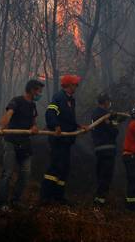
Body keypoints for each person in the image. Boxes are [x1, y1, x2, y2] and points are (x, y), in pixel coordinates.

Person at [0, 79, 44, 211]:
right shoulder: (16, 101)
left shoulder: (33, 106)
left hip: (25, 143)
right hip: (11, 141)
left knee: (25, 174)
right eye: (39, 91)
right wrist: (1, 127)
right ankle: (2, 202)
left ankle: (16, 200)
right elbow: (8, 114)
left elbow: (33, 122)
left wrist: (34, 128)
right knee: (8, 173)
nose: (40, 94)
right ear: (32, 90)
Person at [40, 74, 87, 204]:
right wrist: (56, 126)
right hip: (58, 139)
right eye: (74, 84)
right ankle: (45, 197)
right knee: (55, 167)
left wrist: (78, 126)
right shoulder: (59, 97)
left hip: (67, 140)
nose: (76, 87)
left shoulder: (71, 100)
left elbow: (69, 119)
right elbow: (50, 113)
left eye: (76, 85)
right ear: (68, 85)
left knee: (65, 168)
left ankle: (58, 196)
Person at [91, 92, 120, 206]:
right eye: (108, 101)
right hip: (108, 149)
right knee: (106, 176)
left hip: (98, 149)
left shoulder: (94, 114)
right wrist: (115, 123)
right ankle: (99, 203)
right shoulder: (105, 115)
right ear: (106, 102)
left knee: (100, 175)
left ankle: (98, 200)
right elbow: (114, 132)